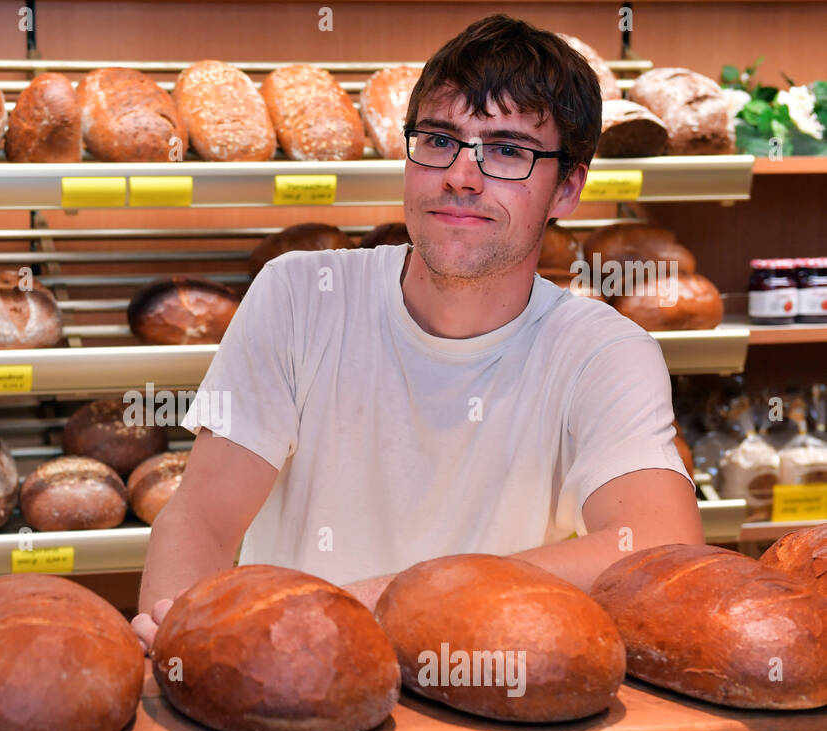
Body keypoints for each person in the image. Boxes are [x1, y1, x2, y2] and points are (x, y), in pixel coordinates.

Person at [132, 14, 703, 651]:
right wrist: (179, 636)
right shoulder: (297, 295)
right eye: (438, 141)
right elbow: (204, 514)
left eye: (508, 151)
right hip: (292, 686)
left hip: (486, 701)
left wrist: (385, 600)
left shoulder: (603, 352)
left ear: (568, 186)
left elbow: (660, 547)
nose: (461, 175)